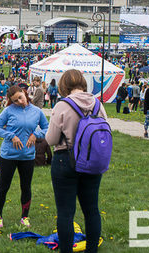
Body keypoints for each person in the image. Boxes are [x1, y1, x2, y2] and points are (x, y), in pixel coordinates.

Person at [46, 69, 107, 253]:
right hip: (93, 159)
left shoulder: (63, 105)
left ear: (63, 85)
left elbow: (51, 139)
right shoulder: (97, 104)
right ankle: (91, 250)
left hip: (67, 159)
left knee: (65, 212)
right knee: (92, 210)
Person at [0, 84, 48, 228]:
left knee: (26, 187)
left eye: (20, 98)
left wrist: (36, 134)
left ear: (24, 93)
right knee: (4, 186)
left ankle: (25, 217)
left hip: (27, 156)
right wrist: (11, 136)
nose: (20, 102)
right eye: (15, 101)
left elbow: (47, 128)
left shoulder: (36, 111)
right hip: (8, 156)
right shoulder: (8, 111)